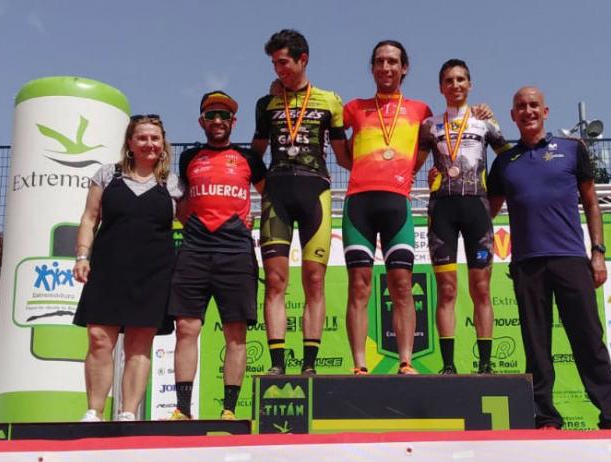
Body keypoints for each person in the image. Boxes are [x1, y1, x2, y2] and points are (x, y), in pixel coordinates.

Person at [487, 86, 611, 430]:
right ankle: (546, 417)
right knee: (536, 345)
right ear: (513, 115)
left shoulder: (572, 149)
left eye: (534, 105)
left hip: (570, 259)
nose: (528, 111)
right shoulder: (504, 163)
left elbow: (591, 202)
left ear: (545, 111)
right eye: (521, 106)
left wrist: (598, 252)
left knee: (588, 339)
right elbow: (486, 213)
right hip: (527, 263)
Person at [252, 29, 350, 375]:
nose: (277, 69)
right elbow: (255, 154)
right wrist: (262, 186)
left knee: (314, 280)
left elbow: (343, 156)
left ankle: (309, 365)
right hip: (276, 196)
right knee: (275, 281)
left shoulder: (330, 101)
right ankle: (277, 364)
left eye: (283, 62)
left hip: (315, 194)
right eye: (274, 64)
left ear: (302, 59)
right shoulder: (266, 104)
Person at [73, 114, 182, 422]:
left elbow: (193, 220)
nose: (149, 143)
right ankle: (94, 412)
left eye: (155, 138)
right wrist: (82, 256)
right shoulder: (108, 174)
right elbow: (89, 218)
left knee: (138, 344)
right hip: (108, 268)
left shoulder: (173, 183)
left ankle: (127, 413)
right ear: (130, 143)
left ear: (163, 144)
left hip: (154, 272)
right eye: (142, 138)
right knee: (99, 338)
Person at [168, 91, 267, 420]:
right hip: (195, 250)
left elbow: (271, 196)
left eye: (224, 115)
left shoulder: (249, 158)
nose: (218, 121)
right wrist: (194, 225)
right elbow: (183, 202)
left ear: (234, 122)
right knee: (186, 328)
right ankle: (183, 409)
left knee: (235, 333)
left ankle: (229, 410)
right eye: (211, 115)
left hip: (235, 251)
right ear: (202, 121)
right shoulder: (189, 158)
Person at [341, 40, 432, 375]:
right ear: (372, 68)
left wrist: (408, 170)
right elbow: (336, 143)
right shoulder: (354, 108)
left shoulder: (421, 110)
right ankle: (360, 365)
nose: (386, 67)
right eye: (379, 61)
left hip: (397, 202)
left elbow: (431, 143)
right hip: (359, 202)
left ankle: (405, 361)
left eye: (392, 61)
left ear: (404, 68)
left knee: (402, 285)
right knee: (359, 284)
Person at [420, 59, 510, 375]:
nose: (455, 85)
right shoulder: (430, 125)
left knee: (481, 288)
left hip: (477, 211)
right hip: (442, 211)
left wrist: (496, 192)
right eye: (449, 80)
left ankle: (485, 364)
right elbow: (414, 164)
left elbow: (508, 159)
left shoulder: (484, 122)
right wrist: (428, 174)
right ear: (441, 87)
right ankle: (448, 365)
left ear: (470, 85)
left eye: (461, 80)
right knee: (446, 289)